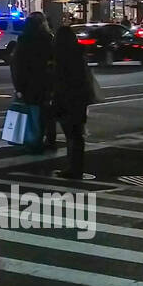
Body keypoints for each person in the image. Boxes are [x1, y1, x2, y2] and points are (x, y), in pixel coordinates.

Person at [10, 11, 57, 152]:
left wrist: (18, 86)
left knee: (30, 112)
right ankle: (48, 140)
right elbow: (54, 61)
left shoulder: (23, 39)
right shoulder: (48, 39)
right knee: (47, 113)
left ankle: (31, 139)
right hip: (44, 82)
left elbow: (17, 64)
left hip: (28, 84)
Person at [52, 25, 93, 180]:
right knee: (77, 134)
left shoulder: (61, 56)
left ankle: (73, 167)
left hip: (66, 98)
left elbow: (59, 80)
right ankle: (76, 166)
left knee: (71, 134)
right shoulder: (78, 54)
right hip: (79, 98)